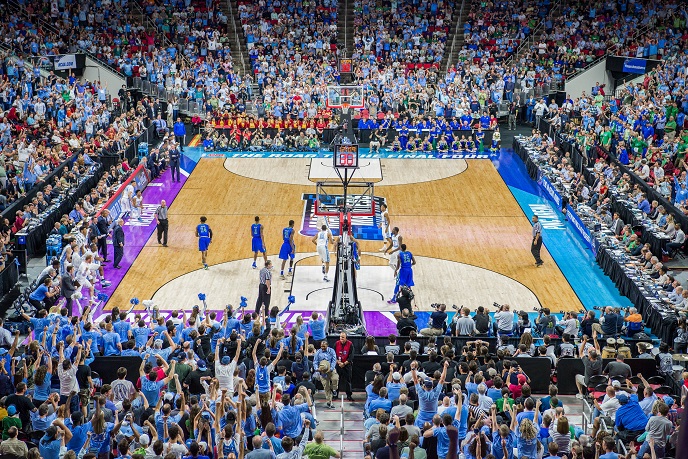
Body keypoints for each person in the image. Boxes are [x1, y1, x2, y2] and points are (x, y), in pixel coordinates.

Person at [313, 340, 338, 409]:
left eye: (324, 346)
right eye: (321, 346)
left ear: (327, 345)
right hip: (322, 371)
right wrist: (316, 369)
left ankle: (334, 389)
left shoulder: (332, 351)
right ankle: (329, 401)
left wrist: (332, 368)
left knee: (335, 378)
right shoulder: (318, 352)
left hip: (330, 369)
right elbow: (315, 361)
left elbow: (334, 360)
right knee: (326, 387)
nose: (322, 347)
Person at [335, 332, 354, 402]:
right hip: (338, 365)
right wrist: (338, 362)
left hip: (347, 365)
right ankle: (335, 395)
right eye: (340, 337)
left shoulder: (350, 344)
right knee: (336, 380)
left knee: (348, 381)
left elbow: (351, 356)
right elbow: (334, 354)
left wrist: (344, 363)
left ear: (346, 338)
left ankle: (349, 395)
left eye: (343, 337)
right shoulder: (336, 343)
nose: (341, 338)